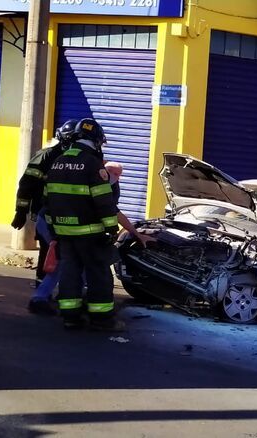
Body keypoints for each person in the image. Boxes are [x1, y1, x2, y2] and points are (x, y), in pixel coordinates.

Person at [44, 118, 125, 331]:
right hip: (91, 233)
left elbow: (48, 200)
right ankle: (102, 319)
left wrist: (54, 229)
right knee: (98, 273)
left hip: (64, 232)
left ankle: (71, 316)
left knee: (70, 272)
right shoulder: (92, 165)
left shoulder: (57, 162)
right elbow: (103, 201)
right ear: (95, 140)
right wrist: (111, 229)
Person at [11, 119, 79, 315]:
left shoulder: (73, 158)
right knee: (49, 254)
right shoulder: (46, 156)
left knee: (60, 254)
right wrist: (20, 212)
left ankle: (51, 294)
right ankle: (41, 296)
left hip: (63, 214)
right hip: (44, 214)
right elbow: (27, 185)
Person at [104, 161, 154, 248]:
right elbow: (115, 213)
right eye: (113, 173)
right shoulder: (93, 185)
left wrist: (138, 235)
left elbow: (115, 212)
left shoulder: (114, 187)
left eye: (118, 175)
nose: (116, 177)